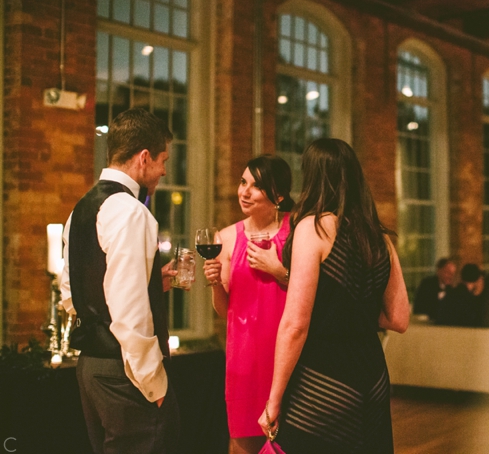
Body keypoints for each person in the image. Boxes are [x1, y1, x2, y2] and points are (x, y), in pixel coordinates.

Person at [258, 138, 410, 453]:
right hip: (373, 377)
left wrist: (274, 399)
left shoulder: (314, 228)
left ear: (312, 177)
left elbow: (295, 325)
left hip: (323, 378)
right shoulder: (380, 238)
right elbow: (399, 318)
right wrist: (356, 315)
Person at [59, 108, 180, 454]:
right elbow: (128, 313)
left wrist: (149, 283)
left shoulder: (81, 208)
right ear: (143, 158)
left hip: (91, 369)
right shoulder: (130, 211)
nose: (164, 170)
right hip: (125, 373)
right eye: (162, 160)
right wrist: (153, 383)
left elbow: (71, 292)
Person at [202, 155, 294, 454]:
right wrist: (215, 282)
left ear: (278, 195)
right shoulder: (227, 238)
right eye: (243, 182)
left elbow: (315, 296)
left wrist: (280, 272)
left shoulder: (297, 233)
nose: (244, 191)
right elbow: (223, 309)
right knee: (242, 445)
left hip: (288, 357)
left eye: (255, 186)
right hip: (244, 361)